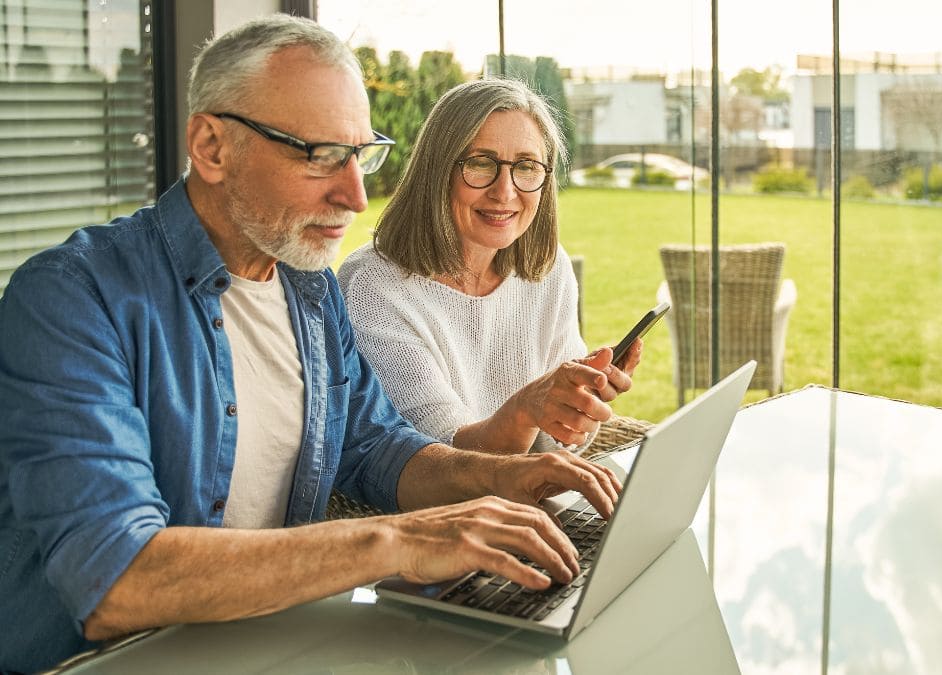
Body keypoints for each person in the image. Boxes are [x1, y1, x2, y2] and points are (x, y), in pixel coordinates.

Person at [0, 16, 620, 674]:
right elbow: (116, 578)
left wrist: (506, 478)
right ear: (212, 147)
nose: (355, 195)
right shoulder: (71, 300)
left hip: (263, 646)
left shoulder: (308, 289)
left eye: (360, 155)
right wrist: (399, 540)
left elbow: (378, 450)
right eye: (319, 155)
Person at [337, 79, 641, 456]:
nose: (505, 192)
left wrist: (575, 403)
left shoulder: (548, 270)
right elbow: (443, 461)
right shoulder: (374, 286)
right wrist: (529, 409)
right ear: (436, 172)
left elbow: (553, 449)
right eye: (481, 164)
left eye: (527, 167)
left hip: (529, 499)